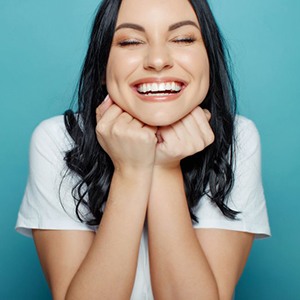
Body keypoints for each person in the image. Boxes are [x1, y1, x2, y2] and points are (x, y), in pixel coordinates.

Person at [16, 0, 270, 299]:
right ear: (102, 67)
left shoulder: (236, 138)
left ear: (210, 59)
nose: (158, 60)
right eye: (131, 41)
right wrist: (132, 171)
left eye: (183, 39)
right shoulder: (59, 139)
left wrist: (165, 167)